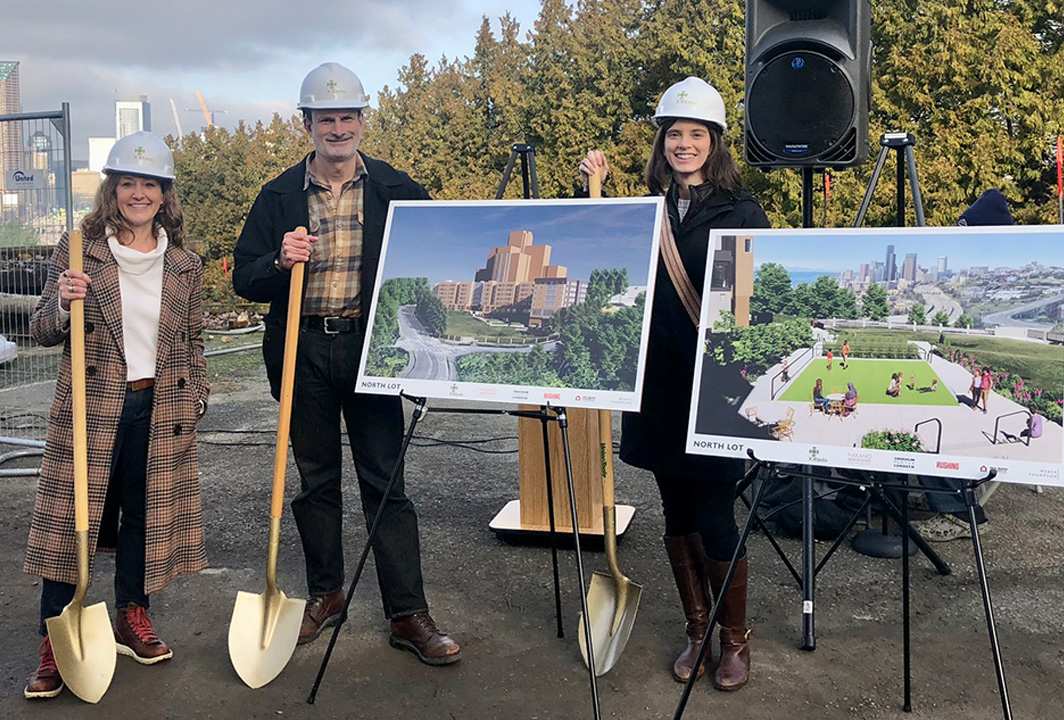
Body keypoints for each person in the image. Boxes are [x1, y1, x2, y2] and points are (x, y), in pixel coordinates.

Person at [232, 63, 460, 665]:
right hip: (302, 349)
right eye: (325, 118)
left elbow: (437, 249)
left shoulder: (396, 189)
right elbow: (242, 277)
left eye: (348, 116)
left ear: (364, 121)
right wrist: (279, 262)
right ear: (306, 124)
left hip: (372, 350)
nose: (338, 127)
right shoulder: (278, 196)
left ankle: (407, 612)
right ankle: (326, 594)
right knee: (315, 480)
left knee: (386, 482)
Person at [578, 77, 769, 690]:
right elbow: (602, 254)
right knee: (675, 511)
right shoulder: (647, 211)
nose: (683, 144)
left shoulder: (743, 213)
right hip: (656, 386)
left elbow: (746, 310)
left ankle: (734, 639)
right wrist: (597, 192)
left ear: (714, 144)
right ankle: (697, 629)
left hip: (714, 389)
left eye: (695, 134)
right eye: (674, 135)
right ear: (662, 144)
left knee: (715, 513)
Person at [23, 132, 209, 699]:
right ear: (112, 189)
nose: (137, 193)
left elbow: (194, 337)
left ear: (164, 194)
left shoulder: (184, 263)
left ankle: (132, 613)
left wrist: (197, 396)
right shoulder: (78, 249)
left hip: (161, 405)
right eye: (127, 182)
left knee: (144, 514)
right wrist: (61, 302)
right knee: (69, 522)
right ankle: (58, 633)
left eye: (148, 183)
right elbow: (39, 330)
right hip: (93, 405)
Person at [917, 189, 1014, 543]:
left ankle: (960, 514)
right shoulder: (982, 270)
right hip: (976, 371)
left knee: (935, 433)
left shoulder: (997, 271)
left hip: (985, 374)